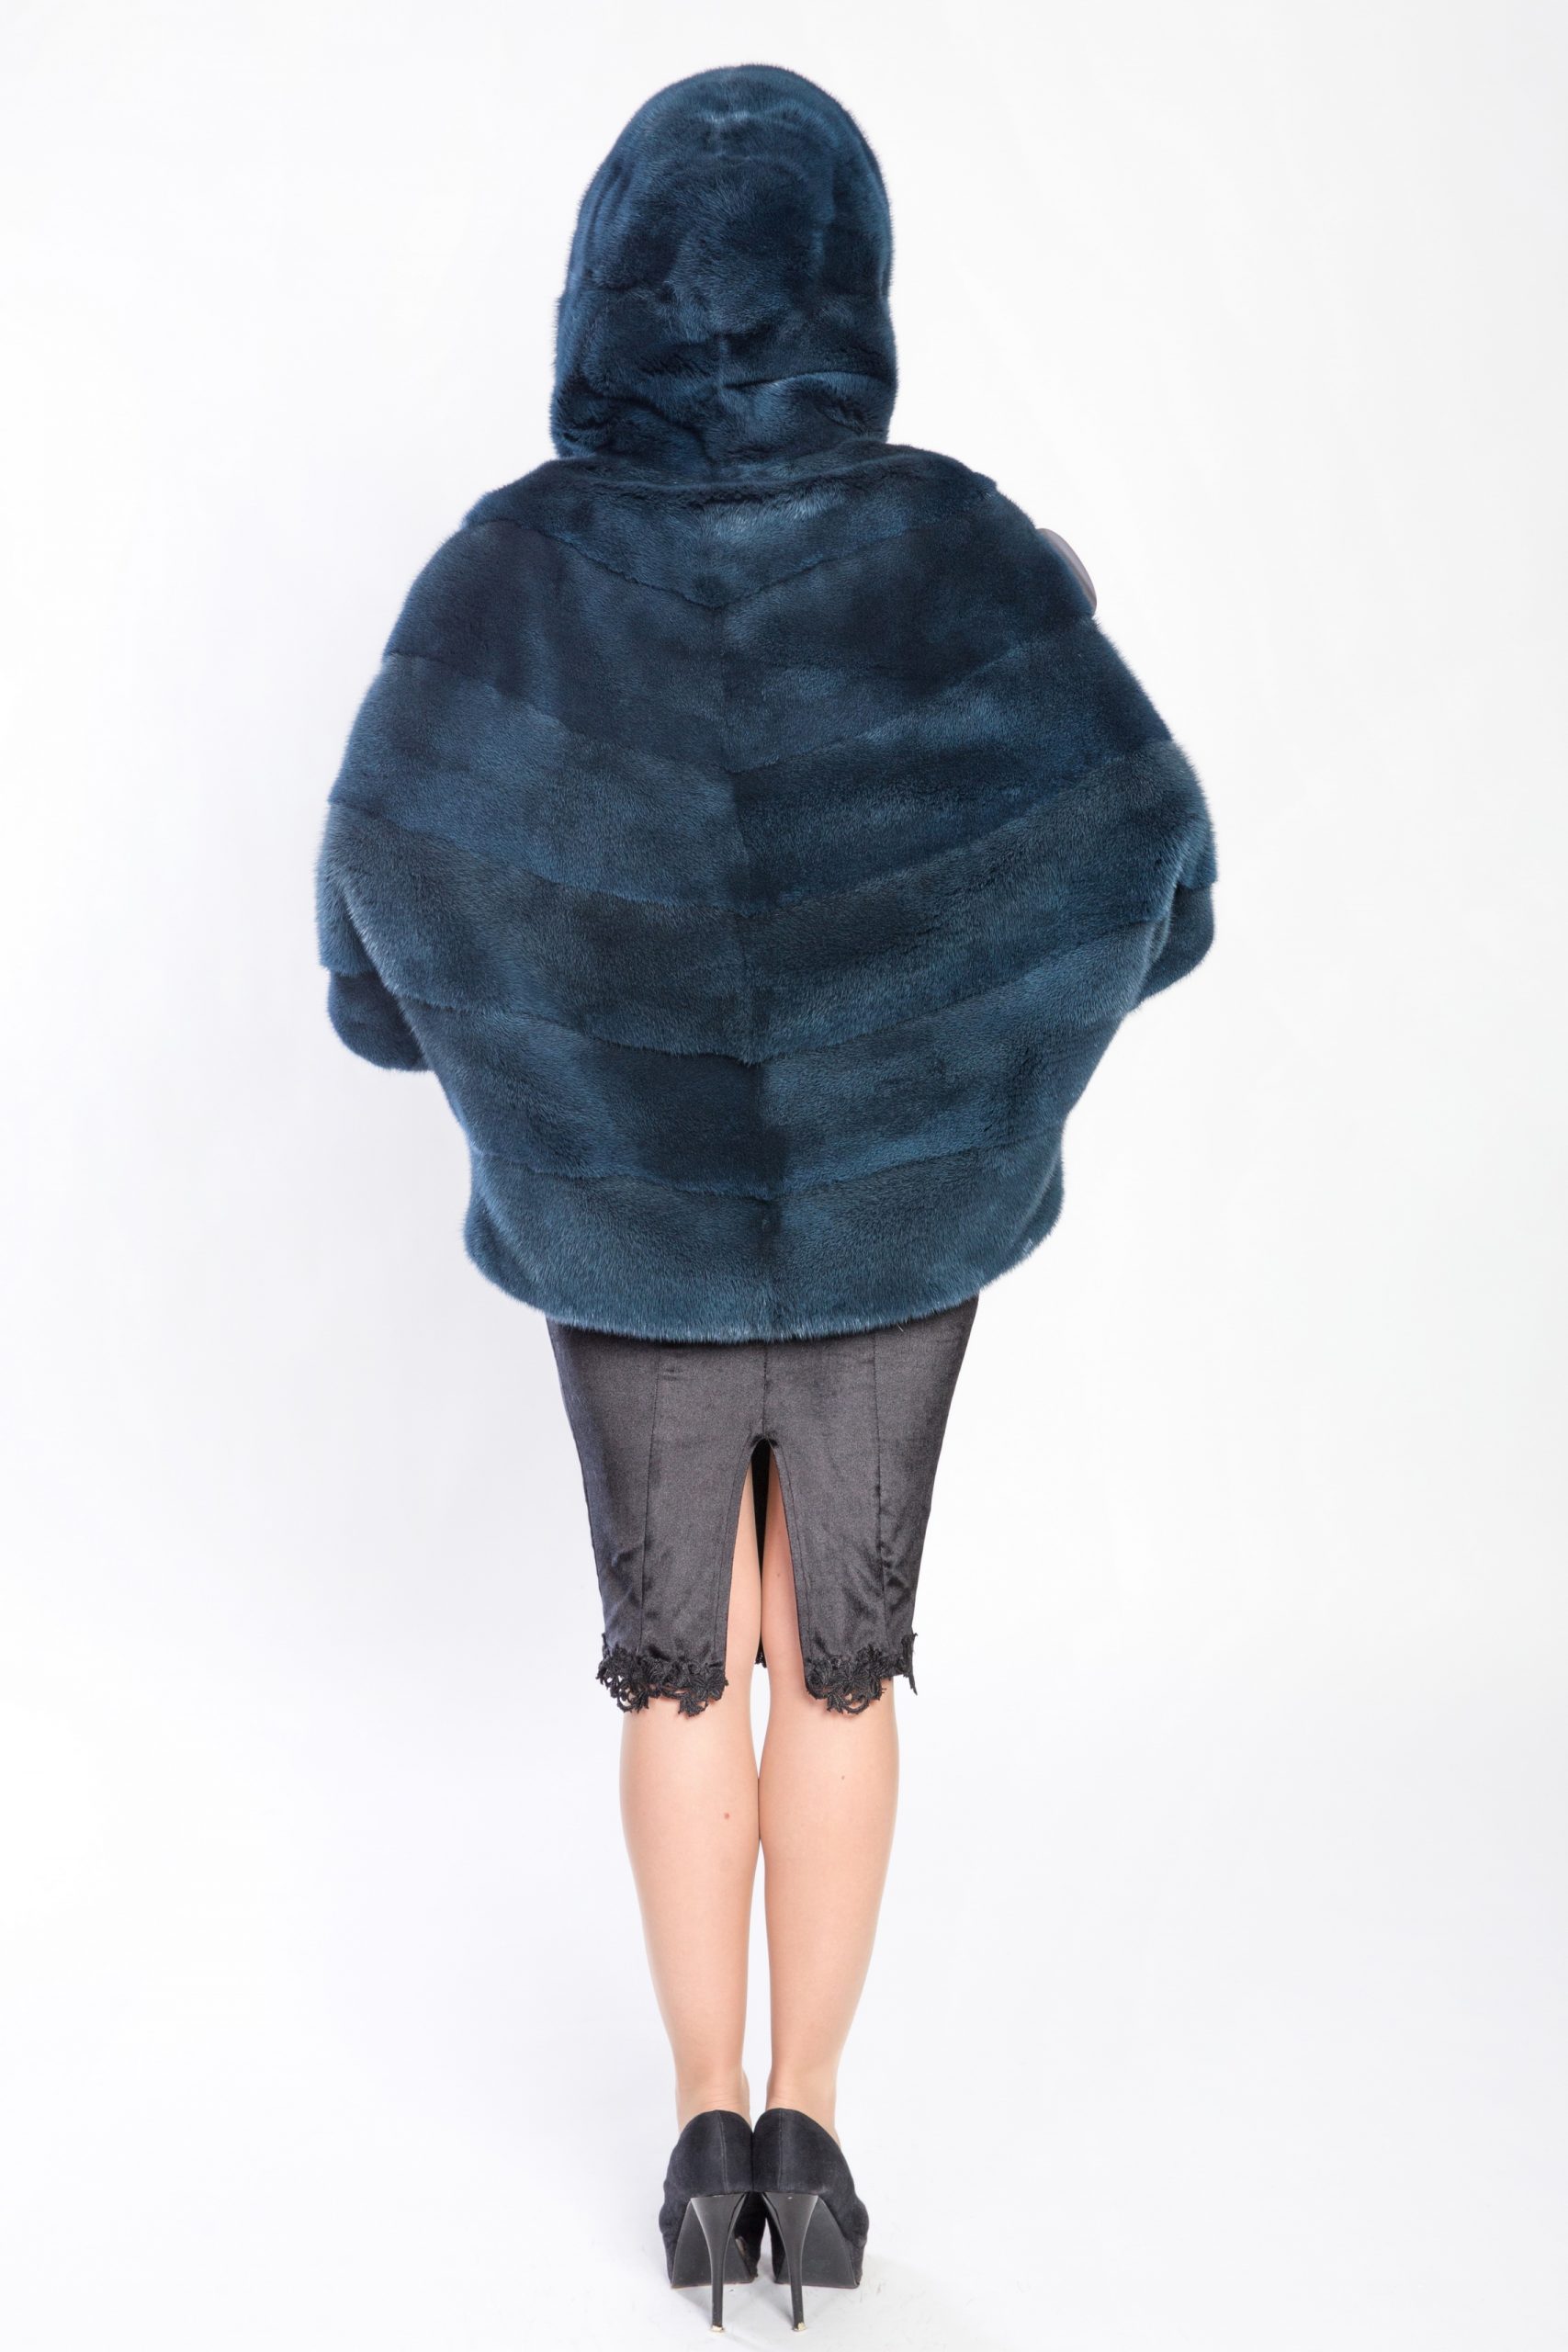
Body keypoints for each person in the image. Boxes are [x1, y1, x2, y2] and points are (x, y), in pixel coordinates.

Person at [315, 62, 1217, 2333]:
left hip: (620, 1231)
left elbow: (373, 929)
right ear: (853, 273)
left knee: (668, 1667)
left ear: (599, 279)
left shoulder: (506, 572)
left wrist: (517, 1050)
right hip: (894, 1232)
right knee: (842, 1655)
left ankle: (698, 2119)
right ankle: (812, 2130)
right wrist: (970, 1051)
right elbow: (1160, 872)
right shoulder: (963, 552)